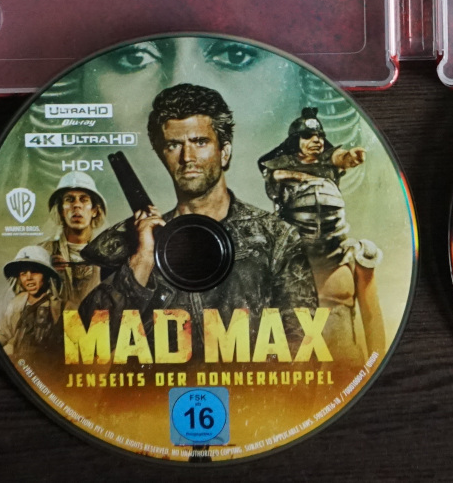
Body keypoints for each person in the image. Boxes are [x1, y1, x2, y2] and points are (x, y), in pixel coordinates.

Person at [81, 84, 317, 349]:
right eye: (173, 145)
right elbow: (84, 342)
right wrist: (143, 259)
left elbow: (302, 347)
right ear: (162, 155)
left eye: (200, 142)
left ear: (224, 152)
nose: (187, 157)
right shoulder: (130, 242)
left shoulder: (276, 238)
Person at [258, 108, 385, 365]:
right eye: (308, 136)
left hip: (344, 371)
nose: (315, 141)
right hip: (289, 376)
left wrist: (348, 157)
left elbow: (374, 326)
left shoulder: (356, 258)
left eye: (319, 136)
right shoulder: (268, 263)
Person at [39, 171, 106, 308]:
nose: (77, 205)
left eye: (84, 199)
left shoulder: (109, 253)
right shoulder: (42, 252)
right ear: (61, 210)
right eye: (69, 199)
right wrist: (47, 274)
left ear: (94, 210)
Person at [0, 245, 63, 363]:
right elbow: (3, 335)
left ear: (46, 275)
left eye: (35, 272)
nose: (29, 278)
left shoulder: (62, 308)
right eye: (23, 273)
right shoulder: (15, 305)